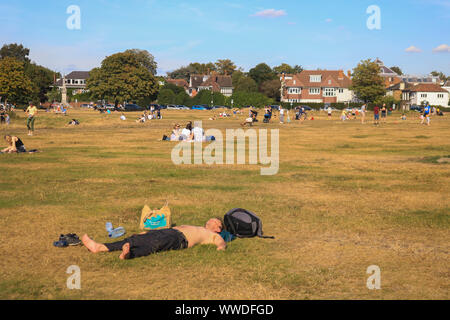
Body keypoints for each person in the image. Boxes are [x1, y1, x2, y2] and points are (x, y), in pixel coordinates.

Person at [81, 218, 226, 260]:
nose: (210, 221)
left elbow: (220, 241)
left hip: (180, 239)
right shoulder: (198, 226)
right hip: (169, 232)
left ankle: (130, 254)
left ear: (218, 228)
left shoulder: (213, 234)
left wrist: (221, 247)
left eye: (214, 221)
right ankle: (100, 247)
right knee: (136, 237)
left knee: (155, 245)